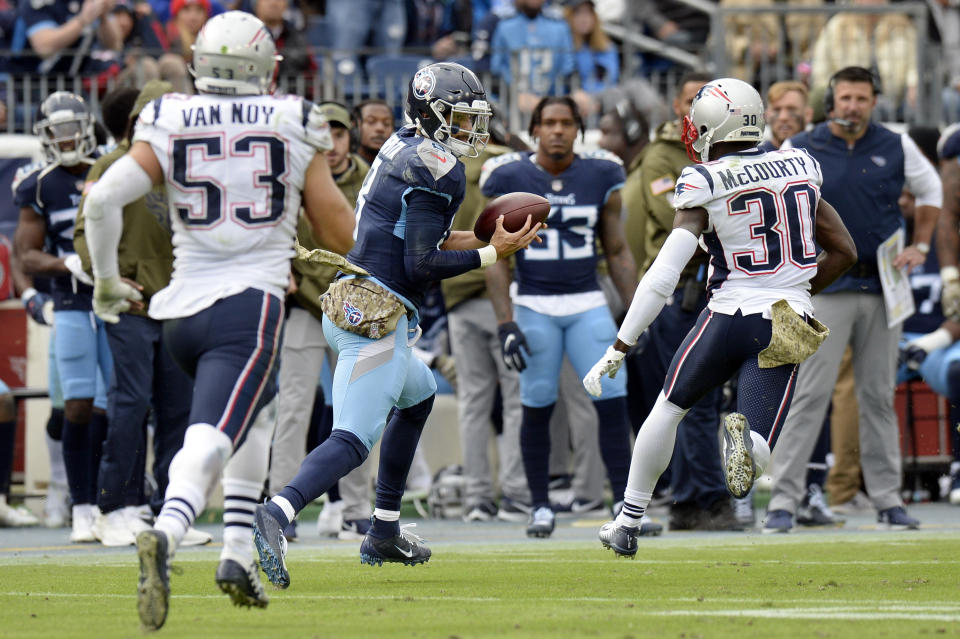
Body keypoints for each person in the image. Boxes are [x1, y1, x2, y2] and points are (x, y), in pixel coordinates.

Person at [81, 11, 357, 629]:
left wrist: (103, 282)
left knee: (251, 419)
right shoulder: (290, 117)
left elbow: (100, 200)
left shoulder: (170, 115)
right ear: (265, 65)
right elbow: (337, 224)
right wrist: (379, 262)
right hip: (250, 303)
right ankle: (169, 530)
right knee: (212, 432)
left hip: (181, 309)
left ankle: (237, 553)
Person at [253, 62, 541, 587]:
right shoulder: (437, 167)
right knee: (353, 439)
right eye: (457, 118)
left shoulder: (404, 145)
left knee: (420, 394)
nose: (468, 130)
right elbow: (421, 265)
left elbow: (420, 240)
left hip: (363, 299)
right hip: (377, 316)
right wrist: (490, 258)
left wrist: (491, 241)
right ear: (430, 111)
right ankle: (276, 512)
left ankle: (383, 528)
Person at [583, 77, 857, 557]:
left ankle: (628, 520)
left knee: (669, 407)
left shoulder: (701, 180)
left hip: (726, 312)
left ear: (712, 124)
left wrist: (620, 345)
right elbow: (846, 251)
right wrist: (795, 289)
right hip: (784, 318)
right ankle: (746, 444)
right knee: (759, 444)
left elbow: (663, 276)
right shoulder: (799, 164)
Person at [764, 66, 942, 534]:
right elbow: (770, 200)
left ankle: (886, 499)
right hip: (823, 284)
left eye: (861, 98)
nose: (852, 106)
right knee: (809, 395)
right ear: (831, 101)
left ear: (874, 101)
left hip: (882, 286)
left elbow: (932, 190)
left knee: (878, 396)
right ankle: (783, 499)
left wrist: (921, 244)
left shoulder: (895, 144)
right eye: (845, 97)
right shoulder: (800, 146)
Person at [482, 95, 639, 538]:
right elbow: (497, 256)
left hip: (587, 301)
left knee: (612, 403)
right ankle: (539, 506)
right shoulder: (508, 175)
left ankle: (628, 507)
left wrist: (635, 310)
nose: (557, 130)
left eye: (566, 123)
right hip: (534, 303)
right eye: (548, 122)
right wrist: (505, 320)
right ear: (534, 128)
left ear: (578, 129)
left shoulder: (601, 173)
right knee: (536, 404)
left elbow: (618, 249)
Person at [74, 81, 210, 548]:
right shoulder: (114, 165)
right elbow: (82, 232)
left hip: (176, 304)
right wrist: (105, 279)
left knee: (178, 411)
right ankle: (114, 506)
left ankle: (168, 511)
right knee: (130, 403)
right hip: (132, 305)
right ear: (138, 122)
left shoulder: (186, 170)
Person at [267, 100, 373, 543]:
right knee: (294, 407)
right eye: (322, 133)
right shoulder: (290, 178)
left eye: (339, 133)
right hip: (307, 303)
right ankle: (280, 508)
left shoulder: (374, 177)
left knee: (360, 409)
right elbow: (271, 231)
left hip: (358, 308)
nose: (330, 143)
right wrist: (283, 271)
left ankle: (356, 510)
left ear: (350, 137)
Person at [13, 91, 113, 545]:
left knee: (118, 405)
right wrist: (66, 264)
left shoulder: (110, 167)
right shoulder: (39, 183)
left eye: (74, 128)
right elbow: (26, 255)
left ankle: (113, 502)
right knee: (75, 404)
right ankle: (81, 505)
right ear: (46, 135)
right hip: (72, 301)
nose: (68, 138)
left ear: (87, 128)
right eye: (58, 131)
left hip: (115, 300)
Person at [490, 0, 575, 113]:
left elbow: (567, 68)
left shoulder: (560, 27)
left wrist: (550, 99)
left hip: (553, 101)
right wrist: (514, 95)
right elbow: (496, 69)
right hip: (513, 106)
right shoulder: (504, 27)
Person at [761, 81, 813, 151]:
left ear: (808, 114)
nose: (783, 117)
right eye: (777, 110)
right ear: (767, 115)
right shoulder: (754, 159)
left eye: (791, 109)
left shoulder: (821, 155)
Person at [353, 99, 395, 167]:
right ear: (355, 125)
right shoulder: (342, 166)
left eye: (386, 123)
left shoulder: (402, 169)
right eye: (371, 121)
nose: (380, 128)